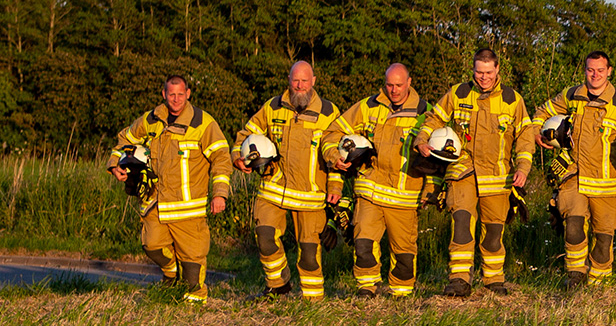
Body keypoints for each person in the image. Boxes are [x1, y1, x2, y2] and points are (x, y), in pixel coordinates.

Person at [417, 48, 536, 297]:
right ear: (472, 69)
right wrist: (422, 140)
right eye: (479, 72)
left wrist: (523, 168)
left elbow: (526, 137)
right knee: (461, 223)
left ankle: (493, 279)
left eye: (489, 73)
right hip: (463, 171)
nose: (484, 78)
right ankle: (459, 280)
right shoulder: (458, 93)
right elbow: (434, 118)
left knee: (493, 231)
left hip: (497, 176)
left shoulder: (513, 100)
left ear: (497, 70)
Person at [107, 75, 230, 302]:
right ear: (164, 94)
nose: (176, 99)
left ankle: (193, 305)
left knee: (192, 263)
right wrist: (115, 164)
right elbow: (125, 139)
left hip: (188, 209)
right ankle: (172, 275)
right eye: (171, 94)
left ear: (188, 94)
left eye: (180, 94)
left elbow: (221, 158)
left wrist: (220, 194)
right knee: (151, 245)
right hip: (155, 204)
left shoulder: (203, 123)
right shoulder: (151, 119)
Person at [532, 51, 616, 289]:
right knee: (573, 227)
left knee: (603, 238)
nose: (595, 75)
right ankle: (575, 276)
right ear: (585, 71)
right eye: (590, 70)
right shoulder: (572, 95)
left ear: (609, 71)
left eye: (600, 70)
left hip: (606, 183)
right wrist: (537, 131)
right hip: (574, 176)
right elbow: (543, 111)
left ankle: (599, 285)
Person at [234, 61, 342, 301]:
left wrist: (335, 187)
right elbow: (246, 134)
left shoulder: (328, 112)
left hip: (311, 195)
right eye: (295, 80)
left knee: (309, 254)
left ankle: (313, 300)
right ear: (289, 80)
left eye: (304, 81)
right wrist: (238, 157)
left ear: (314, 81)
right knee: (265, 237)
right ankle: (277, 287)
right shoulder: (272, 107)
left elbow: (335, 153)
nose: (300, 85)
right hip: (273, 189)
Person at [323, 63, 429, 298]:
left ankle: (401, 294)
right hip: (369, 191)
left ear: (409, 83)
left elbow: (436, 156)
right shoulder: (367, 106)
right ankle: (366, 288)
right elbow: (332, 132)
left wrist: (431, 189)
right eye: (389, 85)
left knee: (404, 254)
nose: (394, 90)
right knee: (363, 244)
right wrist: (334, 156)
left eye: (399, 85)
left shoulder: (424, 112)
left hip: (404, 198)